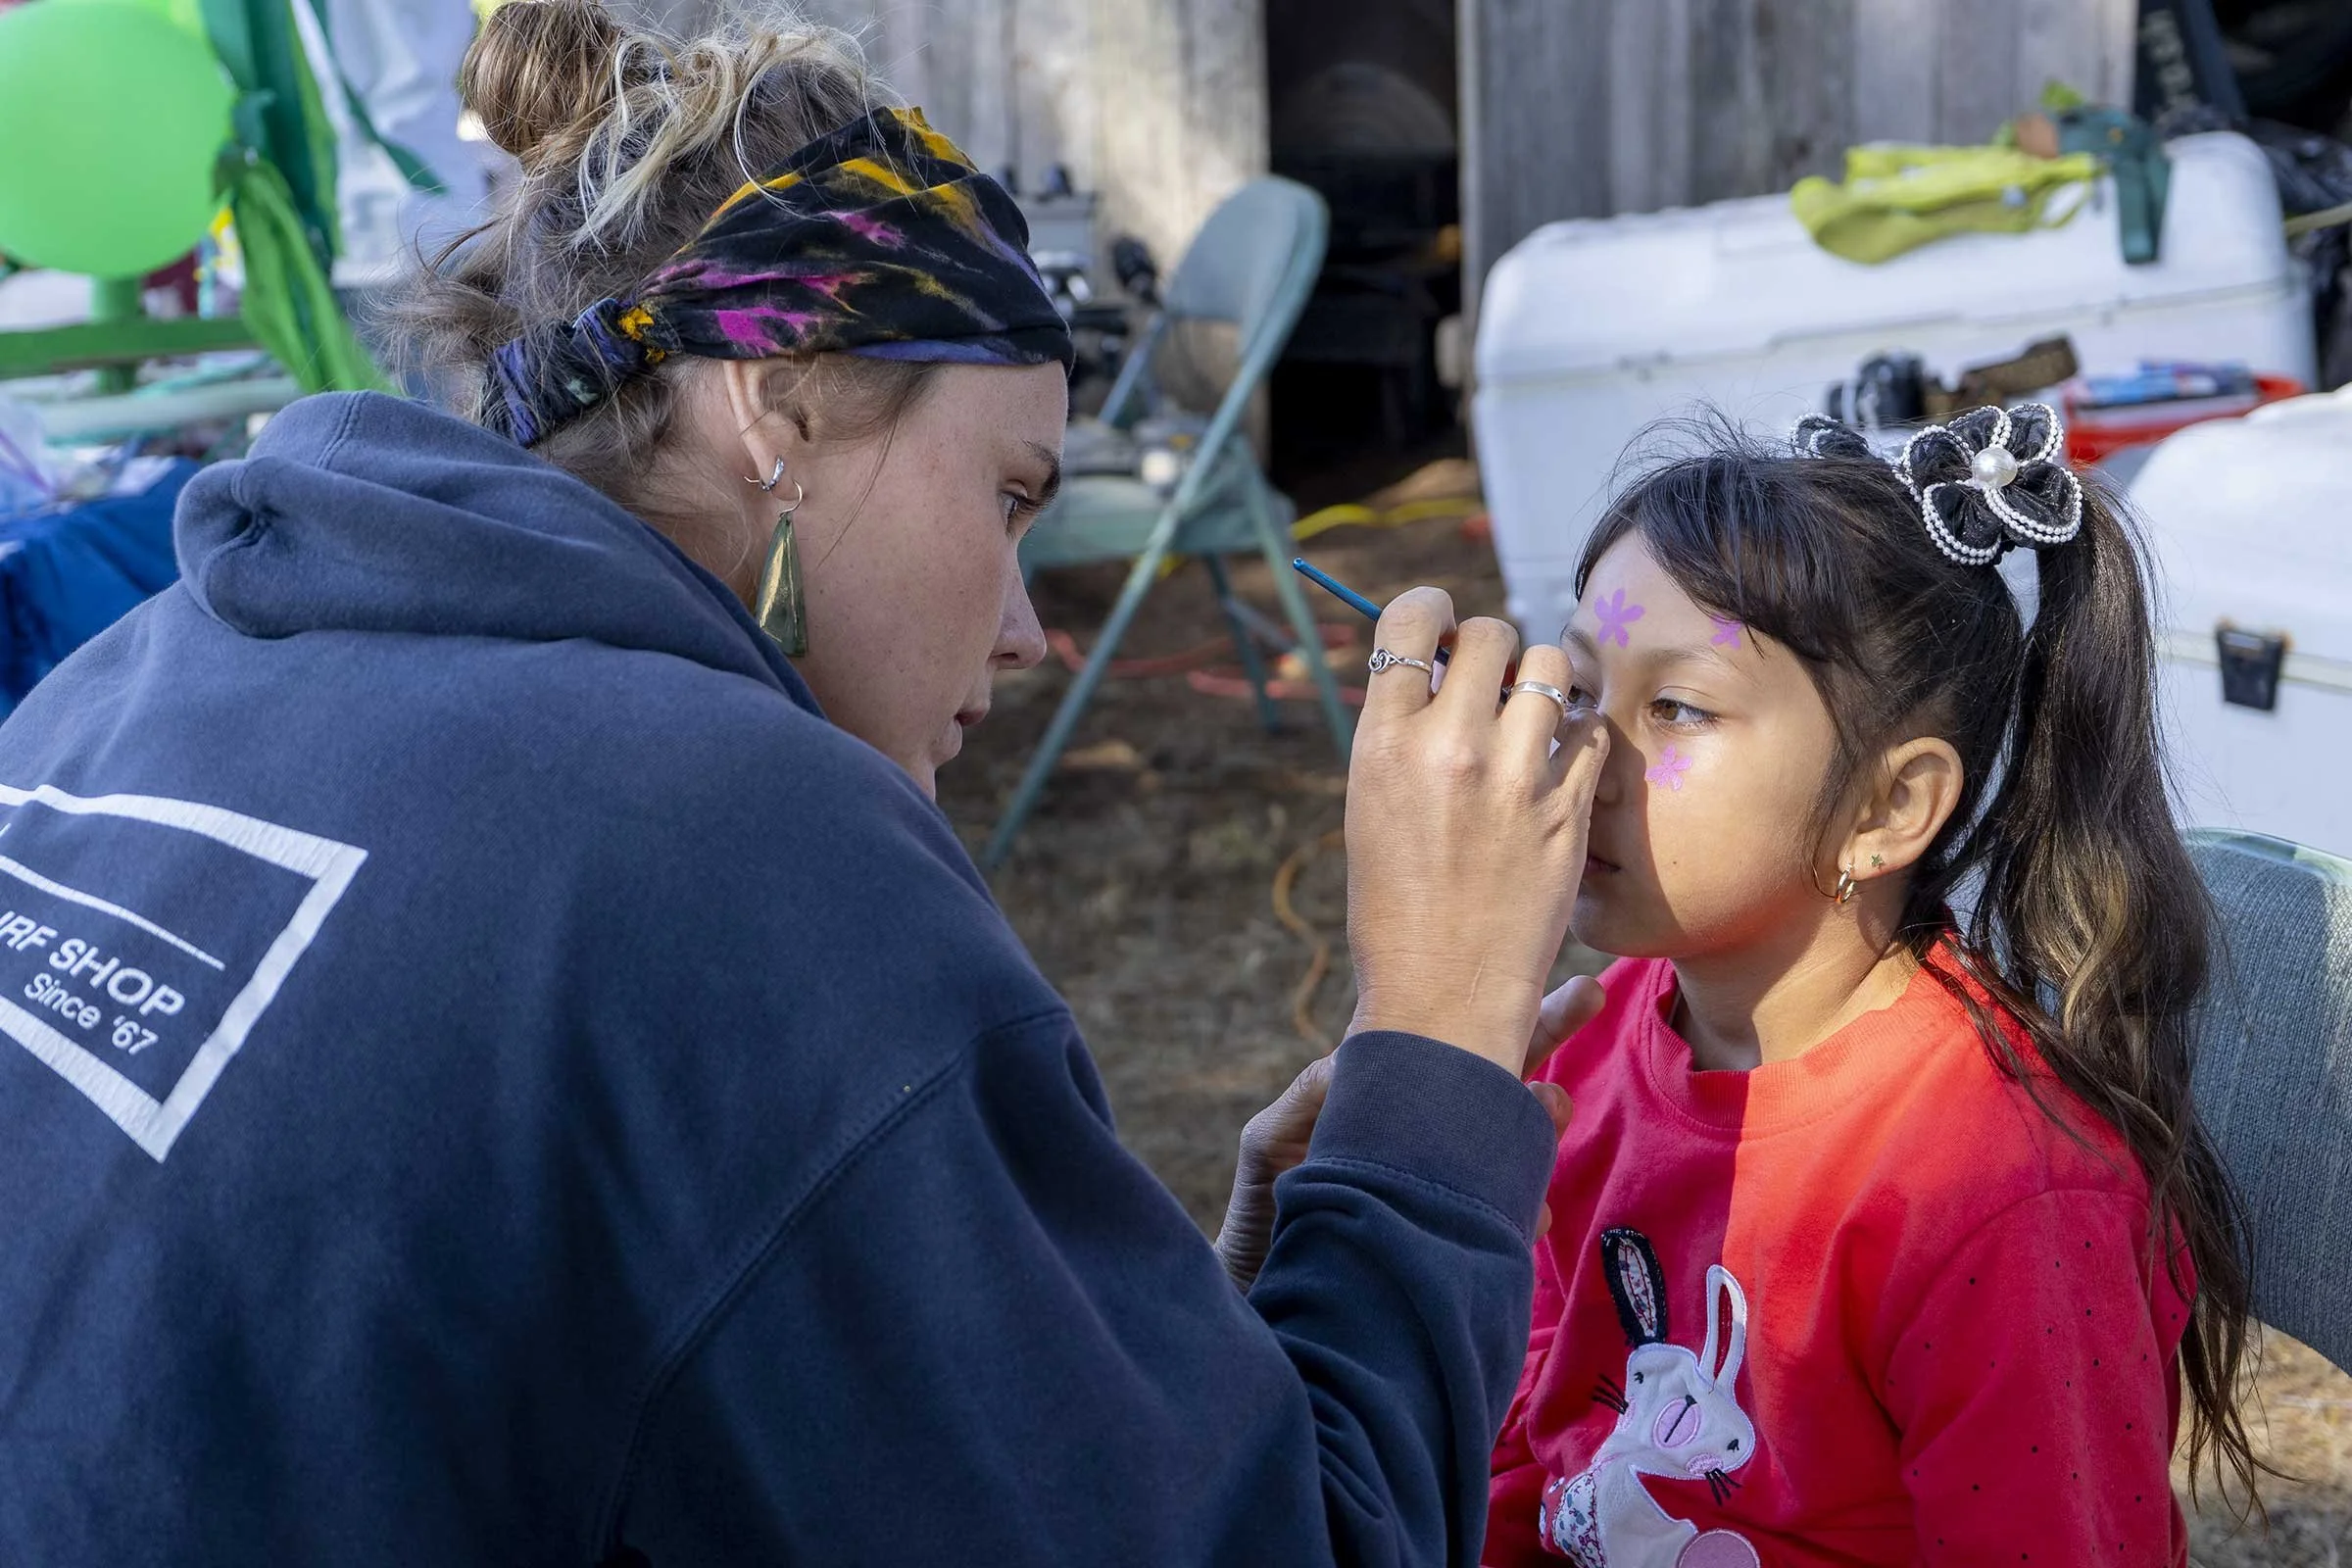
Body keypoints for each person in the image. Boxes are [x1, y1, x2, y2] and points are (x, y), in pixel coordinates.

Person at [0, 3, 1613, 1563]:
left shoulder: (137, 675)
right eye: (1010, 496)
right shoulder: (728, 841)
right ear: (775, 403)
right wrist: (1435, 1043)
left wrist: (1123, 1346)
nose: (1027, 628)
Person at [1483, 409, 2258, 1566]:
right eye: (1582, 689)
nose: (1583, 754)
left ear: (1887, 808)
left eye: (1677, 708)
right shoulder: (1589, 1050)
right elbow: (1532, 1440)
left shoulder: (2002, 1202)